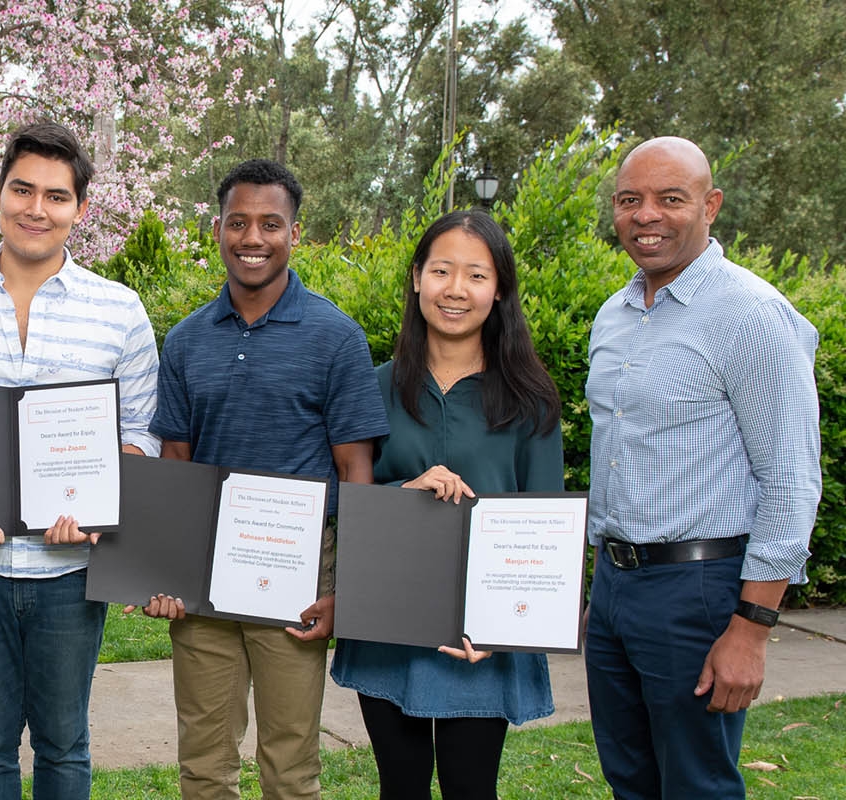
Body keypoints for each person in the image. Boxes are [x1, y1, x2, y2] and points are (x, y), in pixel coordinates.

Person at [0, 120, 160, 800]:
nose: (36, 208)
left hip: (71, 571)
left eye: (56, 196)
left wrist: (97, 507)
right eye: (22, 189)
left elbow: (142, 429)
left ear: (80, 210)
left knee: (65, 746)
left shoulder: (119, 311)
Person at [143, 158, 389, 800]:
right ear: (219, 229)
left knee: (289, 767)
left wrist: (351, 587)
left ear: (294, 234)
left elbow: (354, 468)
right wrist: (166, 569)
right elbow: (175, 459)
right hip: (204, 576)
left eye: (270, 224)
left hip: (298, 577)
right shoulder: (187, 340)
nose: (253, 238)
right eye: (239, 223)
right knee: (204, 765)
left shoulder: (336, 338)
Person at [585, 136, 820, 799]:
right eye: (630, 200)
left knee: (696, 785)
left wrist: (752, 629)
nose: (647, 215)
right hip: (615, 588)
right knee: (628, 778)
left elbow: (791, 477)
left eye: (671, 199)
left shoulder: (752, 314)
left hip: (701, 590)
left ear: (710, 205)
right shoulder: (614, 314)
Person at [330, 211, 561, 799]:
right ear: (416, 278)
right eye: (441, 270)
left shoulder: (530, 400)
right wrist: (401, 495)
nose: (456, 289)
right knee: (399, 789)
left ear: (499, 289)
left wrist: (505, 627)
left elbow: (545, 524)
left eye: (476, 275)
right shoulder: (374, 386)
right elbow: (348, 504)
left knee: (470, 789)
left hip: (478, 635)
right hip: (390, 623)